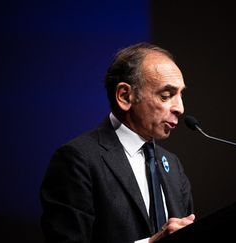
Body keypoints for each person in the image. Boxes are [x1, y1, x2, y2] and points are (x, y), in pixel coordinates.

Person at [40, 42, 195, 243]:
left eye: (181, 95)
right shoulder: (77, 160)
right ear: (124, 96)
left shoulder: (172, 165)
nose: (180, 108)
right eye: (166, 95)